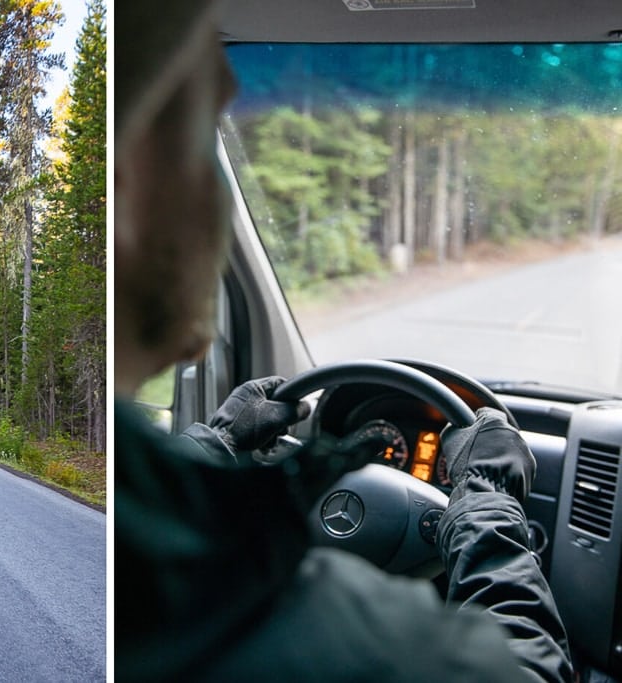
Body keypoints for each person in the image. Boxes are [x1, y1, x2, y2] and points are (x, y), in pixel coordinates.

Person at [114, 1, 573, 681]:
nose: (220, 197)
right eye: (205, 133)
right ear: (126, 186)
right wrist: (484, 494)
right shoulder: (310, 634)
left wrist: (216, 442)